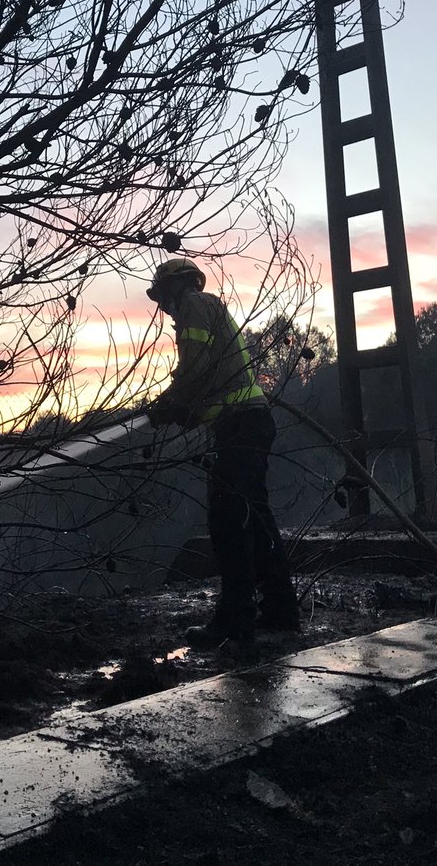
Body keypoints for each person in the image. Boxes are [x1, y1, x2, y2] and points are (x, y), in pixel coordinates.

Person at [145, 258, 301, 657]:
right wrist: (184, 408)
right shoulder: (208, 307)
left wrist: (171, 401)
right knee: (256, 521)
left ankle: (235, 621)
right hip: (247, 423)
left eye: (162, 296)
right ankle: (281, 610)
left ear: (177, 286)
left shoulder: (193, 305)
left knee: (229, 522)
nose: (163, 306)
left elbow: (195, 367)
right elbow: (210, 375)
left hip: (240, 427)